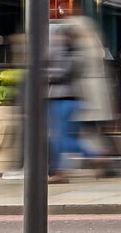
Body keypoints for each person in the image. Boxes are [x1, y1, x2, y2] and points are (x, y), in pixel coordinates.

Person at [65, 15, 121, 178]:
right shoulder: (95, 44)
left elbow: (74, 69)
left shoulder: (83, 46)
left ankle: (102, 161)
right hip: (97, 97)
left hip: (87, 96)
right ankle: (105, 163)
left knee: (86, 130)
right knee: (95, 131)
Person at [45, 19, 79, 183]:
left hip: (63, 99)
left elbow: (60, 74)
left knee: (60, 138)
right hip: (60, 98)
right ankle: (59, 170)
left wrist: (46, 75)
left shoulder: (67, 53)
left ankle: (98, 155)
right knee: (60, 137)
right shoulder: (65, 51)